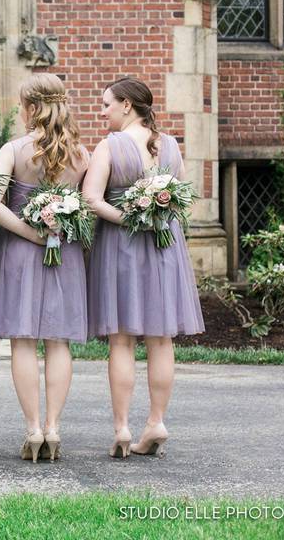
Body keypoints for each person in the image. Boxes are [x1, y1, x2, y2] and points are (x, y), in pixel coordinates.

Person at [82, 77, 205, 459]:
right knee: (160, 339)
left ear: (126, 106)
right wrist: (156, 217)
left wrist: (128, 218)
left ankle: (122, 428)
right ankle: (157, 420)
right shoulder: (169, 145)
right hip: (164, 248)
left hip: (122, 249)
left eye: (106, 104)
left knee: (121, 340)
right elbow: (182, 199)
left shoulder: (110, 146)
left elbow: (91, 200)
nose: (101, 111)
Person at [0, 73, 90, 463]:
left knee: (24, 341)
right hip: (63, 254)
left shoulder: (13, 149)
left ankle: (32, 428)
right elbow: (89, 205)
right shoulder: (83, 155)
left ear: (31, 108)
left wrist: (28, 233)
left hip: (21, 253)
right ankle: (53, 427)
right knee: (59, 341)